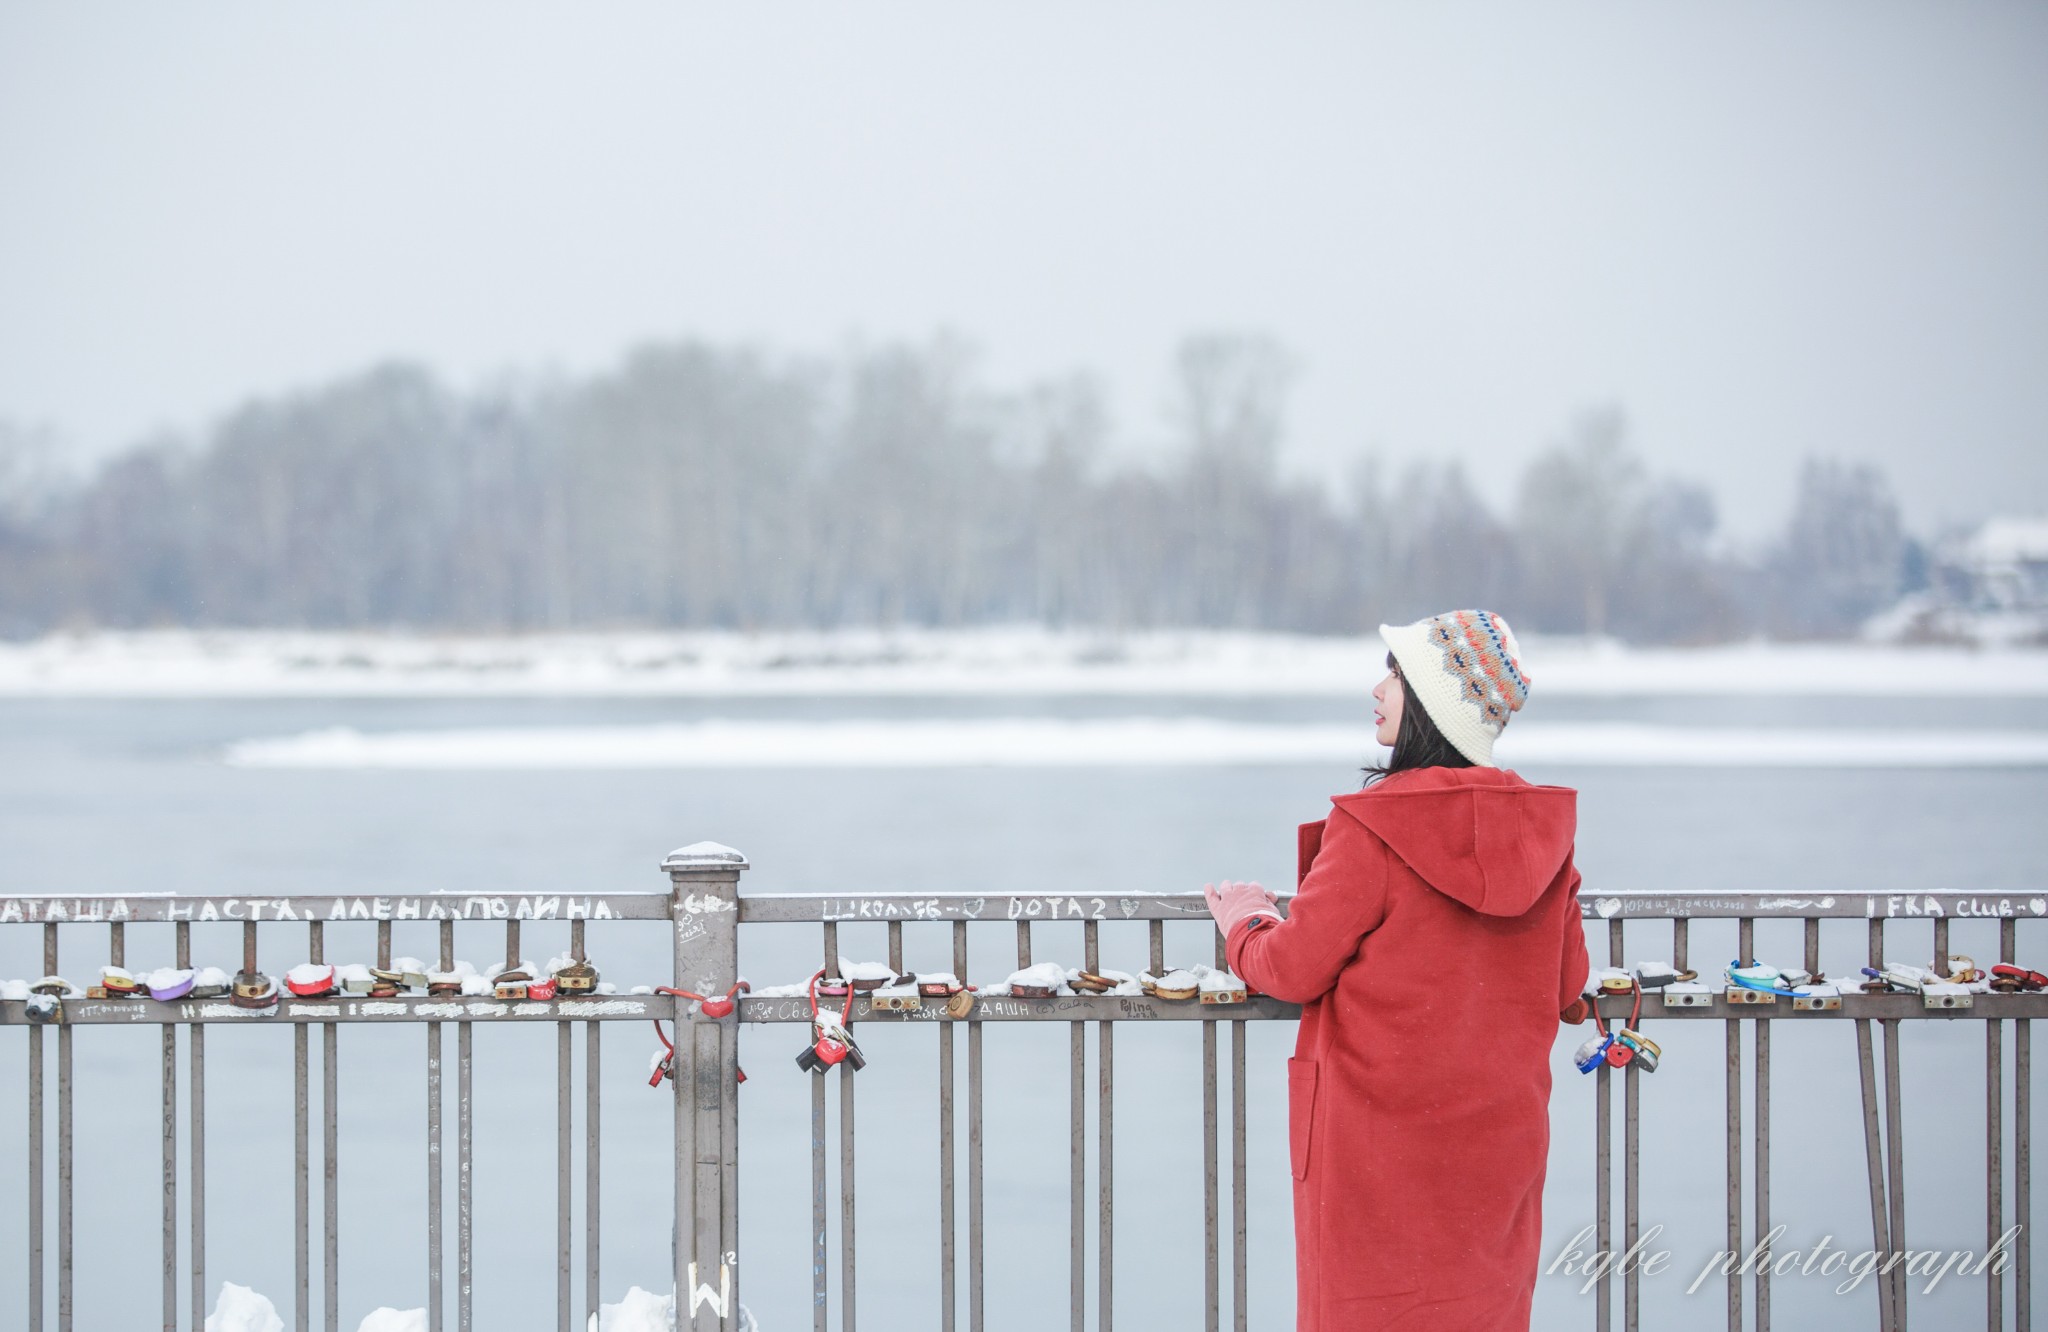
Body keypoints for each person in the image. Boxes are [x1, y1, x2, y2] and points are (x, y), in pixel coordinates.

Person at [1205, 609, 1591, 1331]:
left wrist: (1245, 921)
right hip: (1496, 1145)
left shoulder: (1376, 826)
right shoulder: (1541, 835)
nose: (1376, 687)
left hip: (1375, 1151)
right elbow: (1569, 987)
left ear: (1433, 701)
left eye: (1396, 673)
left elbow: (1291, 967)